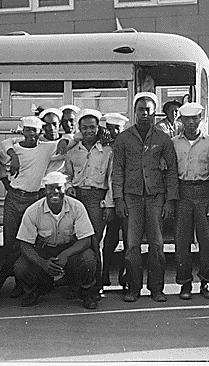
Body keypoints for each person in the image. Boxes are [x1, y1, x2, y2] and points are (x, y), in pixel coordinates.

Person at [112, 92, 178, 303]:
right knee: (131, 245)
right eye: (141, 110)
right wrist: (118, 199)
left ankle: (156, 288)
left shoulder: (162, 139)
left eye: (149, 110)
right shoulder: (123, 138)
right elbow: (118, 170)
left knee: (157, 244)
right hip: (131, 198)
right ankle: (133, 288)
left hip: (155, 197)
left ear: (154, 113)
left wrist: (170, 200)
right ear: (135, 112)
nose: (145, 114)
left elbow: (171, 171)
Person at [0, 116, 60, 298]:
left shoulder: (45, 149)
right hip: (14, 198)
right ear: (22, 131)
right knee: (10, 242)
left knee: (27, 241)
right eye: (27, 130)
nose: (31, 134)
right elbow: (2, 153)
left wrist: (65, 141)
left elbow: (71, 138)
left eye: (35, 131)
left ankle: (21, 283)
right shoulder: (13, 149)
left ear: (40, 133)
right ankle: (3, 281)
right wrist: (12, 159)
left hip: (33, 199)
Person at [14, 171, 99, 309]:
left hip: (69, 249)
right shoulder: (33, 211)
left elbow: (86, 240)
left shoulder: (77, 207)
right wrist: (43, 263)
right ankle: (33, 291)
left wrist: (66, 254)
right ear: (44, 190)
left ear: (65, 189)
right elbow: (24, 245)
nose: (55, 192)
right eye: (50, 188)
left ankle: (86, 293)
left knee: (88, 258)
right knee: (21, 266)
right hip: (45, 249)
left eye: (59, 188)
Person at [172, 102, 209, 300]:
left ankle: (206, 282)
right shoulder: (174, 142)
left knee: (206, 241)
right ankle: (184, 284)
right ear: (181, 120)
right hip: (182, 193)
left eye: (195, 118)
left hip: (203, 192)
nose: (191, 122)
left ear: (201, 119)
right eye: (187, 119)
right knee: (181, 241)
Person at [63, 109, 114, 297]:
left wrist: (108, 205)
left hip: (96, 199)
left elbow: (111, 180)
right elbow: (66, 175)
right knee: (74, 240)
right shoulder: (73, 151)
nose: (89, 131)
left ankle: (94, 286)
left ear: (98, 128)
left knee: (94, 242)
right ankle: (74, 284)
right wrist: (68, 187)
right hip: (77, 198)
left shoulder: (107, 151)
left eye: (92, 127)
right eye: (85, 128)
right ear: (79, 129)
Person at [100, 113, 130, 289]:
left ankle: (125, 278)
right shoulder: (106, 148)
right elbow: (109, 179)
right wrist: (110, 203)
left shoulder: (127, 146)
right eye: (110, 129)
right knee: (109, 239)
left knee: (128, 240)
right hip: (111, 199)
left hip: (128, 199)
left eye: (117, 129)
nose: (113, 132)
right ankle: (104, 275)